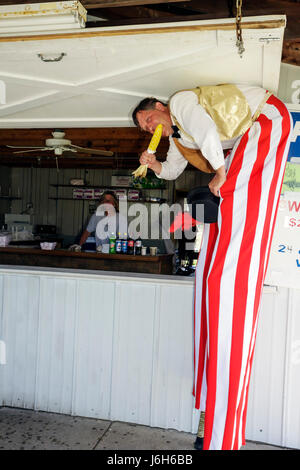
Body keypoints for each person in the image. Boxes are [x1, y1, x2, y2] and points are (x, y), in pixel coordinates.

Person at [132, 83, 292, 450]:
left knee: (230, 189)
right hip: (242, 140)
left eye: (149, 119)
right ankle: (210, 425)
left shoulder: (182, 102)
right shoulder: (178, 137)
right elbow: (173, 170)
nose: (149, 127)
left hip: (264, 120)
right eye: (144, 128)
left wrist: (220, 171)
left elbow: (206, 131)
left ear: (159, 106)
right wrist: (153, 162)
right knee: (221, 197)